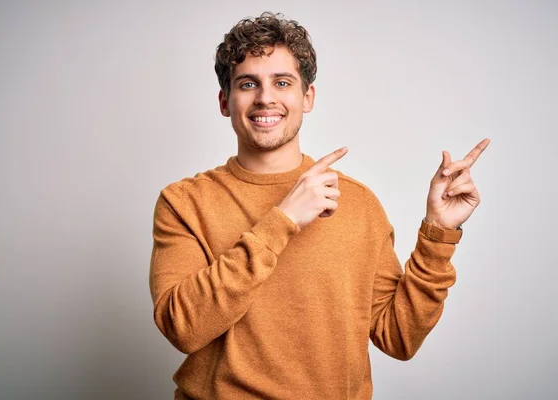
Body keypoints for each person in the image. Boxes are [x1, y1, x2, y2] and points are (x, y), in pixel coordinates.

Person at [149, 11, 490, 400]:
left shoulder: (359, 204)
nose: (266, 97)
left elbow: (399, 338)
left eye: (282, 82)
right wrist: (283, 220)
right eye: (248, 84)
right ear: (226, 101)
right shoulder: (183, 202)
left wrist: (438, 234)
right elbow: (183, 327)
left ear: (306, 97)